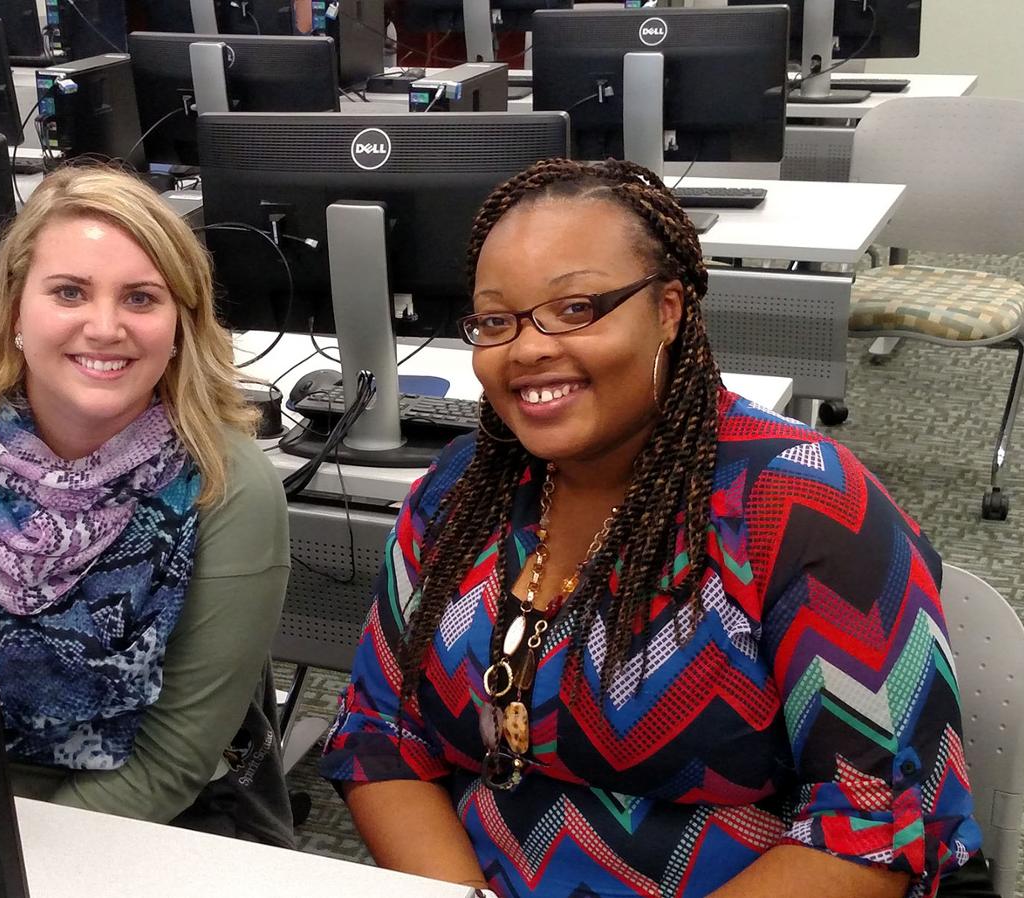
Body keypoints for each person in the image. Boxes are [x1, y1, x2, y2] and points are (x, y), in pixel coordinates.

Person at [319, 158, 983, 897]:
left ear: (667, 309)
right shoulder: (459, 491)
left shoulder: (797, 506)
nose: (528, 347)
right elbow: (381, 734)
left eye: (575, 308)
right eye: (497, 320)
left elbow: (871, 830)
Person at [0, 164, 294, 847]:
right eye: (69, 292)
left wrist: (14, 862)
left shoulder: (227, 484)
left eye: (140, 298)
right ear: (15, 309)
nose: (105, 327)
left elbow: (172, 760)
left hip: (133, 821)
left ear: (181, 324)